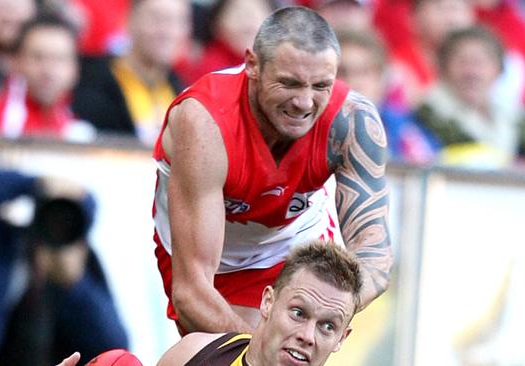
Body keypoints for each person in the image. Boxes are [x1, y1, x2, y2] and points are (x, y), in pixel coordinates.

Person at [152, 6, 392, 335]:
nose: (305, 103)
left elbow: (374, 255)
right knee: (210, 351)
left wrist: (329, 309)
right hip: (208, 257)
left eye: (321, 86)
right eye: (290, 83)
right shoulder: (204, 122)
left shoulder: (353, 120)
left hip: (290, 243)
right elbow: (192, 293)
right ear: (252, 65)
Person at [0, 170, 128, 366]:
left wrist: (75, 286)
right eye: (54, 216)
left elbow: (116, 346)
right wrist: (34, 183)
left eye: (68, 222)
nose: (58, 228)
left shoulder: (84, 267)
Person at [157, 241, 362, 365]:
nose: (307, 337)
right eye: (298, 313)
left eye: (327, 326)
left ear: (341, 339)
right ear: (267, 302)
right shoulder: (194, 354)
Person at [0, 13, 94, 141]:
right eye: (38, 57)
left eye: (59, 59)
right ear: (16, 63)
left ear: (75, 69)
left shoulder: (79, 132)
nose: (48, 70)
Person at [72, 0, 190, 144]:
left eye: (177, 21)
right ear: (128, 20)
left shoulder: (183, 93)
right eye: (156, 18)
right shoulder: (90, 82)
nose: (167, 32)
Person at [413, 26, 525, 167]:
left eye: (480, 62)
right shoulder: (426, 115)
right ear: (443, 68)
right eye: (463, 62)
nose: (472, 73)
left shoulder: (516, 114)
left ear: (499, 70)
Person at [336, 30, 436, 163]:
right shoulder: (308, 128)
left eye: (363, 72)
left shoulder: (404, 130)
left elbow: (429, 168)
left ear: (381, 79)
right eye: (342, 72)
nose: (353, 82)